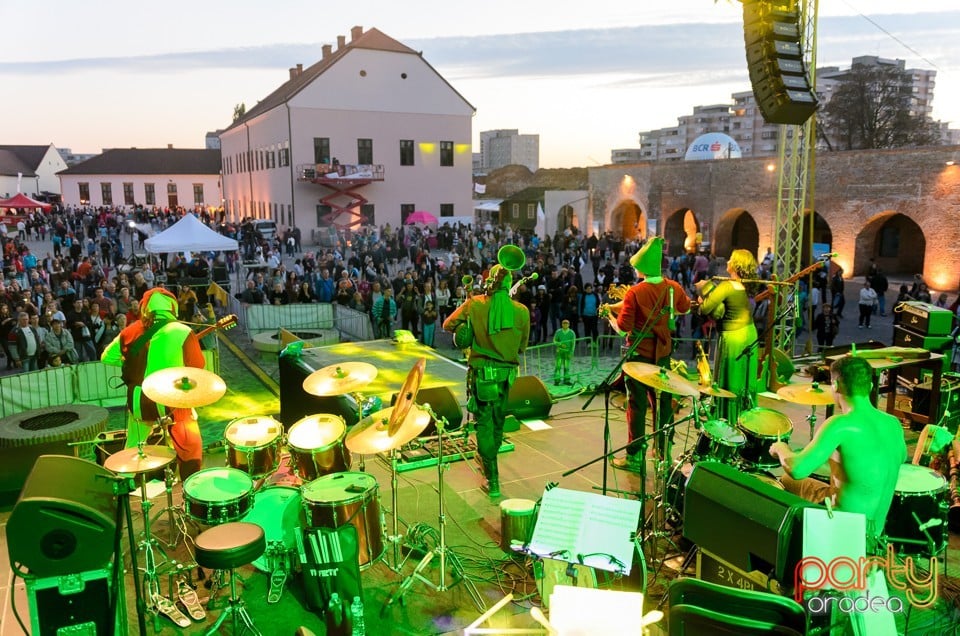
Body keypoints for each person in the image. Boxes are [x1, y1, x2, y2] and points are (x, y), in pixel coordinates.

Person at [770, 355, 906, 553]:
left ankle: (792, 557)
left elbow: (798, 469)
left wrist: (781, 449)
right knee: (804, 484)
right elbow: (882, 462)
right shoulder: (893, 424)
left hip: (844, 530)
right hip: (875, 531)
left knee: (785, 480)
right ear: (869, 386)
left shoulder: (840, 425)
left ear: (835, 385)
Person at [443, 260, 530, 499]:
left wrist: (470, 326)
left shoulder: (476, 304)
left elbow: (448, 324)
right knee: (498, 421)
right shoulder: (522, 311)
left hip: (482, 375)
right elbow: (522, 347)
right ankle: (489, 461)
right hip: (507, 376)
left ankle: (492, 480)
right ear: (511, 284)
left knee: (484, 424)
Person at [101, 288, 206, 480]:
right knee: (190, 445)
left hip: (139, 400)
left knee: (133, 447)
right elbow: (198, 366)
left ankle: (122, 489)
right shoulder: (182, 331)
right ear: (172, 307)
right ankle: (192, 486)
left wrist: (131, 361)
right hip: (173, 402)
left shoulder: (129, 331)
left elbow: (106, 357)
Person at [608, 237, 691, 469]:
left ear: (642, 268)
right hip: (662, 354)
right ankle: (663, 450)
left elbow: (624, 326)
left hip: (638, 356)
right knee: (663, 402)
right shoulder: (673, 287)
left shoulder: (636, 292)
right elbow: (685, 307)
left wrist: (610, 318)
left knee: (636, 404)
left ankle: (635, 455)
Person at [695, 249, 759, 422]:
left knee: (731, 379)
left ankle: (728, 419)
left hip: (734, 337)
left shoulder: (727, 286)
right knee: (744, 379)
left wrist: (701, 300)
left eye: (731, 259)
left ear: (736, 265)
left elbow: (705, 309)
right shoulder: (743, 286)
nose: (728, 262)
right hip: (749, 334)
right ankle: (745, 418)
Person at [553, 318, 575, 385]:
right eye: (564, 323)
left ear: (569, 325)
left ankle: (566, 380)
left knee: (566, 366)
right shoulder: (558, 332)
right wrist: (560, 344)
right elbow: (554, 340)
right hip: (559, 351)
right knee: (558, 366)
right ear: (562, 324)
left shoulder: (571, 333)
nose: (565, 325)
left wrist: (571, 352)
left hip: (567, 351)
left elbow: (573, 343)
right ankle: (557, 380)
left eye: (567, 324)